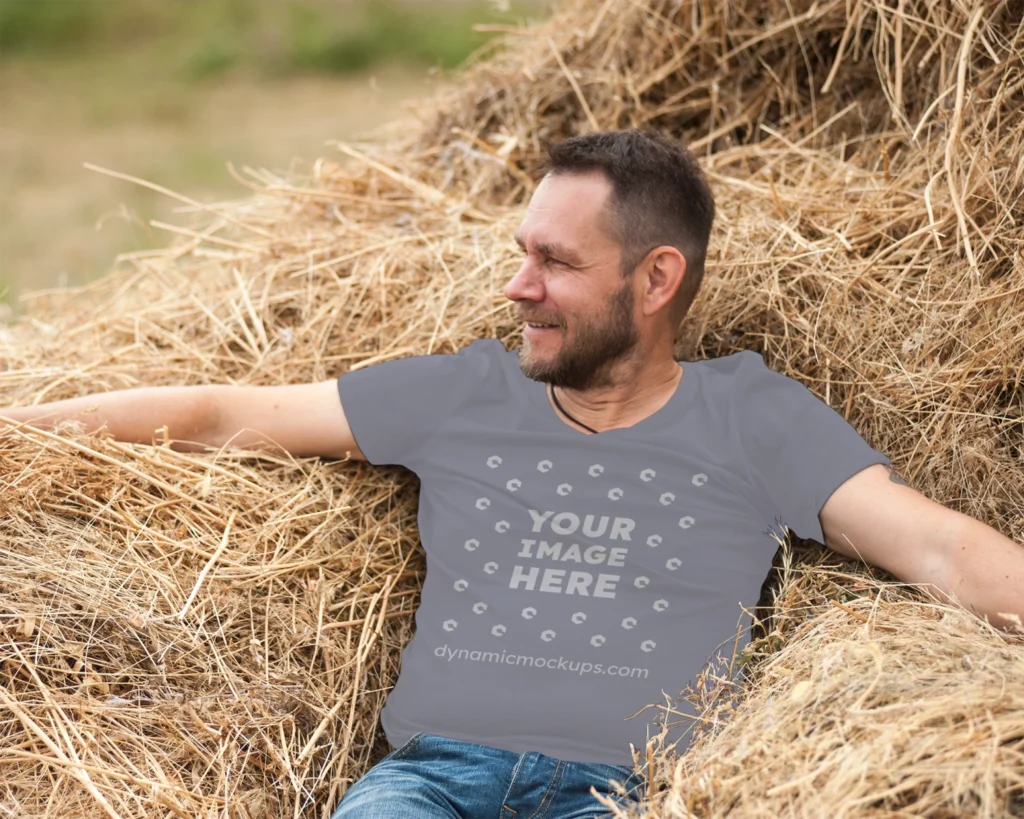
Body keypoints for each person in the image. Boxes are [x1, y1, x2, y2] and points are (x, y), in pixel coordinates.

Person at [3, 130, 1022, 819]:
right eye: (519, 253)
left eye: (556, 264)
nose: (517, 286)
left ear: (656, 278)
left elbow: (930, 541)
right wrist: (20, 427)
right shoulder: (463, 394)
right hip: (432, 782)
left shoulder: (752, 417)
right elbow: (223, 416)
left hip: (624, 791)